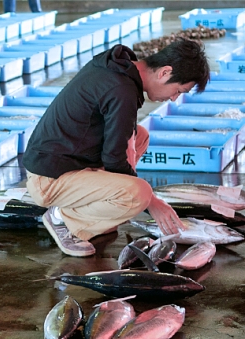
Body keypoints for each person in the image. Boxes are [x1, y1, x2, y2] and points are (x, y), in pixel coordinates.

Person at [23, 38, 210, 257]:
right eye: (179, 90)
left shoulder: (121, 67)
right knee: (139, 193)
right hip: (49, 179)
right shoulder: (121, 89)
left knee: (140, 136)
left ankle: (93, 209)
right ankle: (62, 219)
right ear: (164, 72)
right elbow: (115, 159)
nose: (174, 98)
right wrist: (152, 203)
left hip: (67, 160)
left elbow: (121, 146)